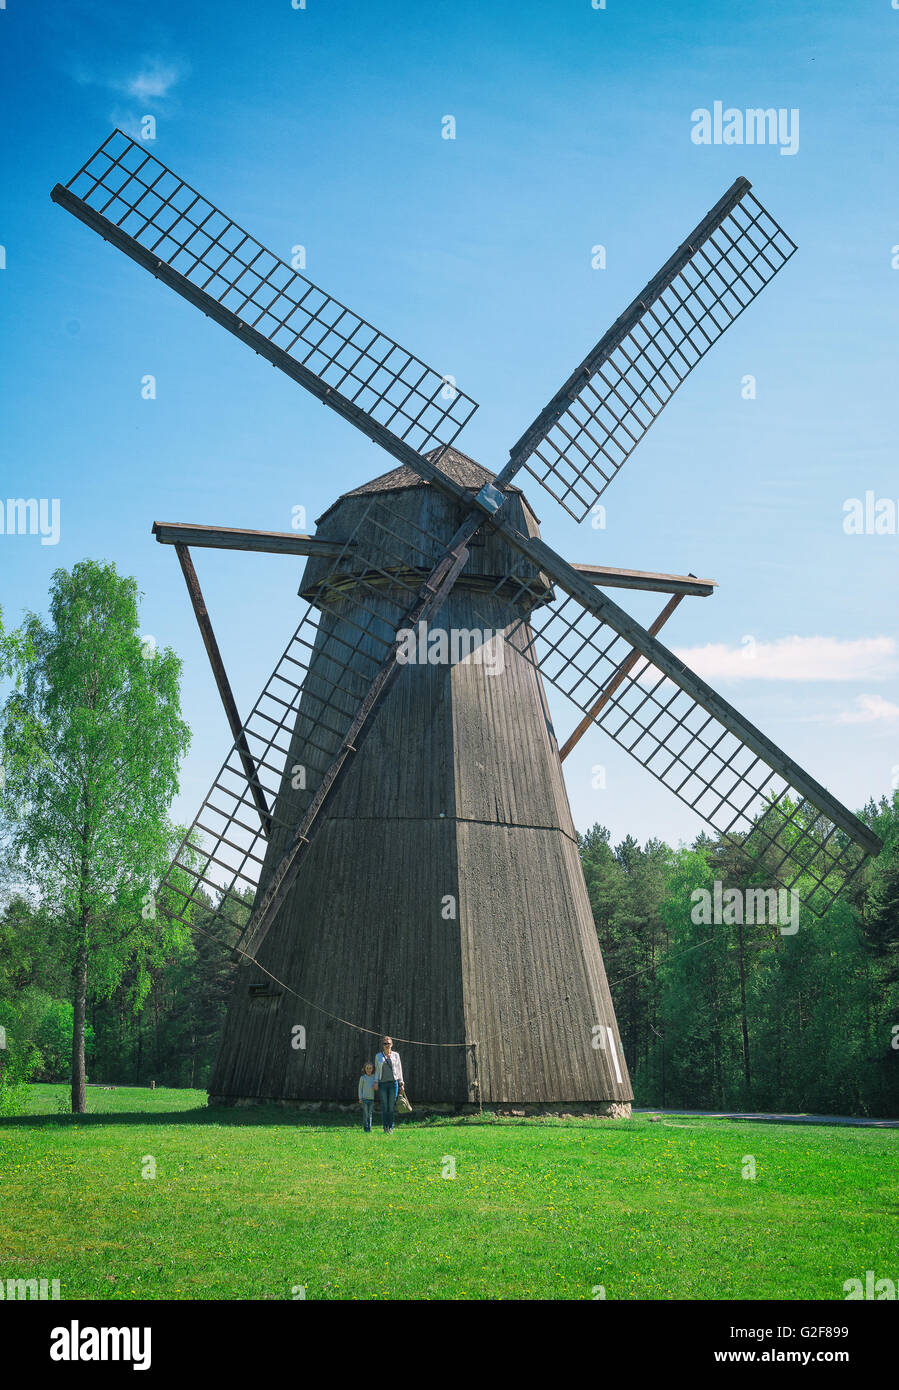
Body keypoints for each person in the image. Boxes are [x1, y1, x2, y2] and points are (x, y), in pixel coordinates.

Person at [373, 1036, 404, 1134]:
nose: (387, 1045)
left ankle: (391, 1127)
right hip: (382, 1084)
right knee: (385, 1106)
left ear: (392, 1044)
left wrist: (401, 1083)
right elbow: (377, 1071)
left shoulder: (396, 1055)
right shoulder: (378, 1056)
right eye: (385, 1044)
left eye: (388, 1043)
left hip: (393, 1084)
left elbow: (399, 1069)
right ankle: (385, 1126)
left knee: (391, 1107)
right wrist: (375, 1082)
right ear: (383, 1045)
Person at [358, 1062, 376, 1132]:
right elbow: (360, 1088)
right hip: (364, 1099)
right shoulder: (363, 1078)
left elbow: (375, 1086)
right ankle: (366, 1128)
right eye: (367, 1068)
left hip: (371, 1099)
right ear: (365, 1069)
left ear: (372, 1069)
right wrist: (360, 1098)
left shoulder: (374, 1077)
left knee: (370, 1114)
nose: (369, 1070)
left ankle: (369, 1127)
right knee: (366, 1114)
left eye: (370, 1068)